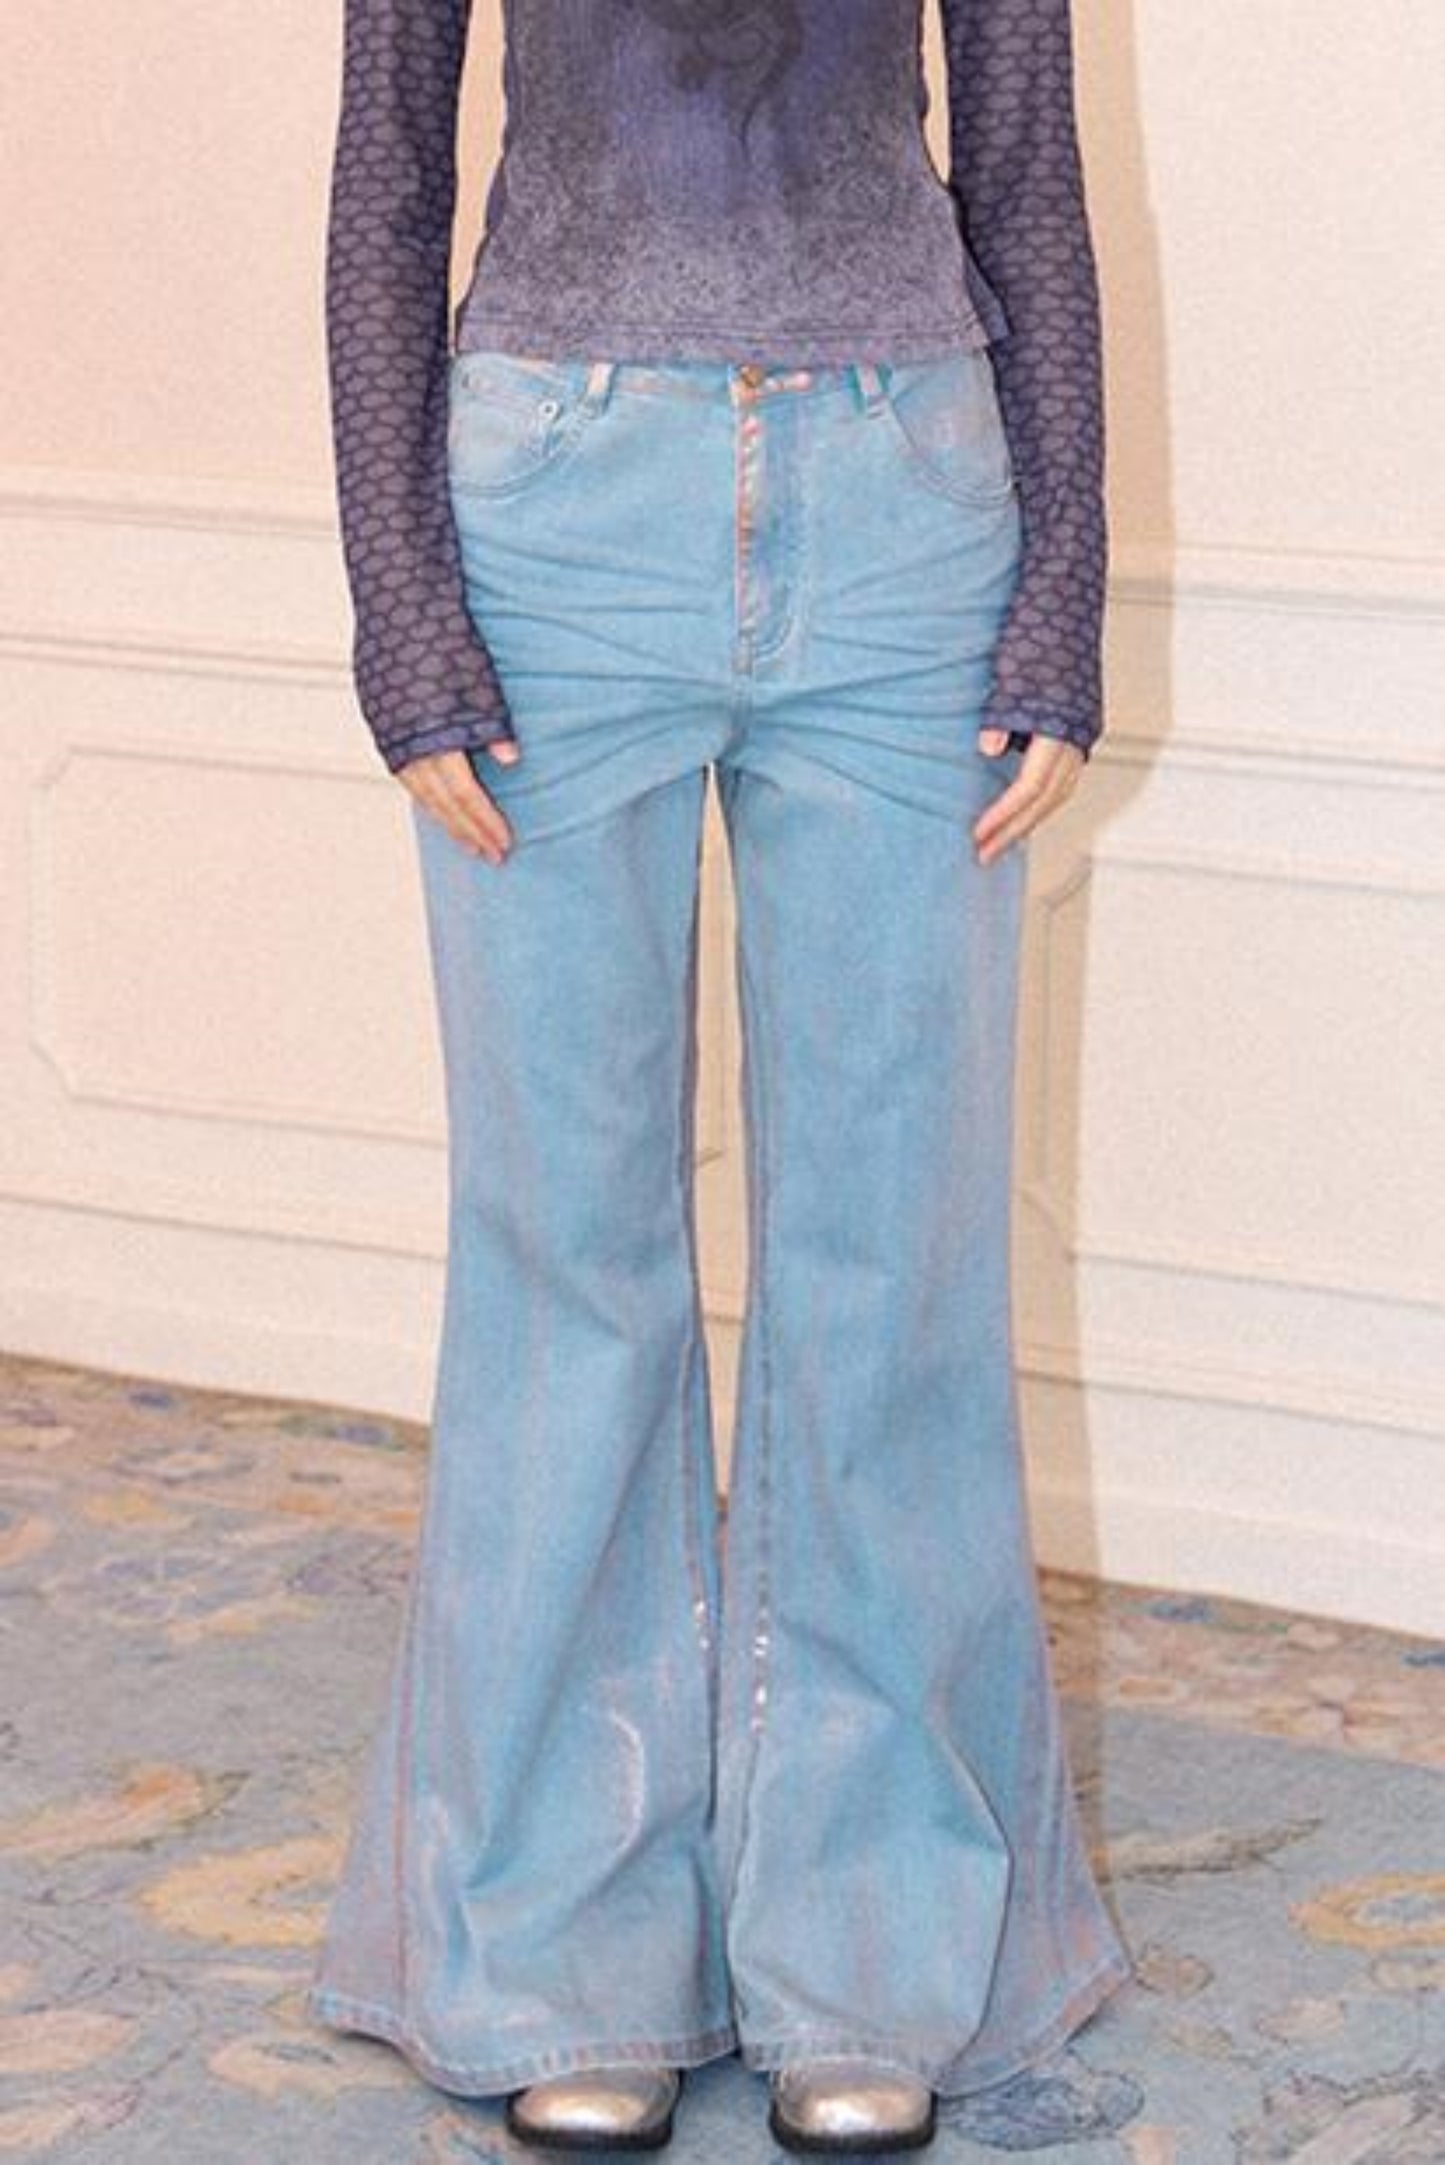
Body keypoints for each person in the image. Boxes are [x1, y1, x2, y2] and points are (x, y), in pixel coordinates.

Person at [304, 0, 1135, 2152]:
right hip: (550, 526)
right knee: (564, 1258)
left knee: (891, 1261)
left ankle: (872, 1942)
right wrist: (403, 611)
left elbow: (1024, 169)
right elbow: (388, 173)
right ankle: (555, 1945)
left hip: (908, 512)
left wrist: (1062, 588)